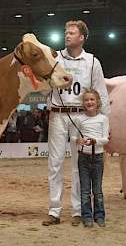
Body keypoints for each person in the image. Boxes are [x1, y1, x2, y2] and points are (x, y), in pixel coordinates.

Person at [42, 20, 110, 226]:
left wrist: (105, 121)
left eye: (72, 33)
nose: (67, 35)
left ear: (82, 37)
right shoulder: (54, 58)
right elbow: (44, 87)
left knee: (78, 165)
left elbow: (101, 93)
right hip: (58, 114)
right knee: (54, 163)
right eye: (66, 32)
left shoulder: (92, 62)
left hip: (81, 117)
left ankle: (78, 211)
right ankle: (54, 210)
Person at [71, 89, 109, 228]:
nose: (89, 102)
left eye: (92, 99)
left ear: (97, 101)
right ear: (83, 103)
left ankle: (99, 216)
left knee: (97, 190)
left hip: (98, 157)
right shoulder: (78, 119)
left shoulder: (103, 119)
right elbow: (73, 137)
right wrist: (78, 140)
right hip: (83, 157)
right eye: (86, 100)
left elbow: (105, 139)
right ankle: (86, 216)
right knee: (85, 190)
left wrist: (95, 141)